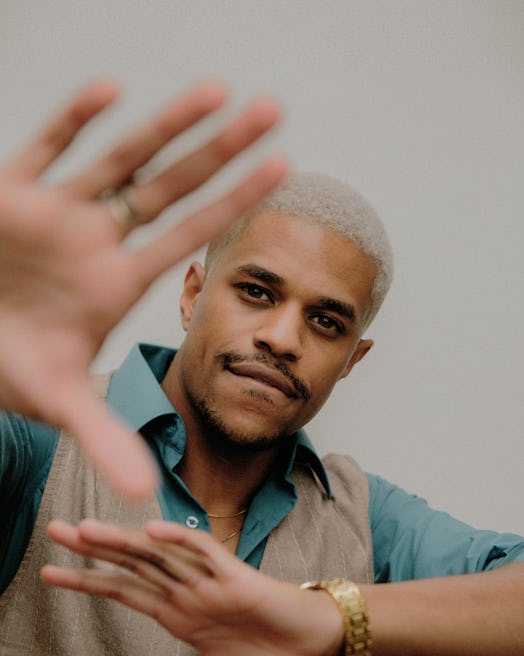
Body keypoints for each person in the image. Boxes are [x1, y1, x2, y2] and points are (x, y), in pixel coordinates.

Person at [1, 87, 523, 656]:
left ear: (353, 361)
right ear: (191, 296)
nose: (281, 338)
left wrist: (331, 614)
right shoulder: (33, 439)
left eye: (325, 321)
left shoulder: (364, 517)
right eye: (256, 292)